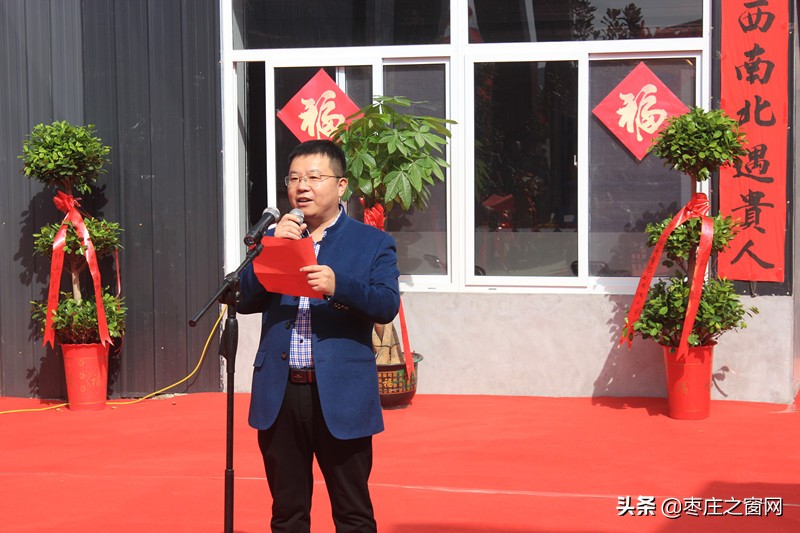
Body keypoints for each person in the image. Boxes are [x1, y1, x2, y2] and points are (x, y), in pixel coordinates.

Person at [237, 139, 400, 532]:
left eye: (313, 177)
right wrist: (272, 247)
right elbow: (243, 298)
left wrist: (338, 286)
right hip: (281, 391)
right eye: (294, 179)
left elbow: (386, 304)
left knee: (353, 513)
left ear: (341, 185)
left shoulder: (372, 242)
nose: (302, 187)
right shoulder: (276, 237)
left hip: (341, 391)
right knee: (287, 513)